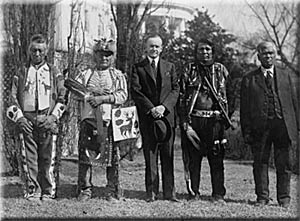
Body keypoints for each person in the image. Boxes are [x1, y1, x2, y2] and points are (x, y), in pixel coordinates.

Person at [6, 34, 66, 201]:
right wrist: (20, 118)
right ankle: (32, 190)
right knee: (29, 157)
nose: (37, 54)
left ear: (46, 52)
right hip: (28, 120)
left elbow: (63, 96)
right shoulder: (21, 72)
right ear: (29, 52)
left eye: (40, 50)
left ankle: (48, 191)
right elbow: (11, 97)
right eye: (33, 50)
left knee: (48, 158)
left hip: (47, 119)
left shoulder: (54, 72)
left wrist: (53, 117)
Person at [240, 41, 299, 208]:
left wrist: (297, 127)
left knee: (284, 164)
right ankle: (262, 197)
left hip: (283, 126)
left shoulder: (286, 75)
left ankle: (284, 198)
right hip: (260, 128)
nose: (268, 56)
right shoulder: (249, 79)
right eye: (265, 53)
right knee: (260, 163)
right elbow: (244, 109)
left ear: (276, 55)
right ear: (258, 56)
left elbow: (294, 103)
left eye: (271, 53)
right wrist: (246, 131)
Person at [73, 38, 128, 202]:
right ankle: (85, 189)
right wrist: (88, 95)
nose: (104, 58)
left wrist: (104, 98)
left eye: (108, 55)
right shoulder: (85, 74)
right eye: (100, 54)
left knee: (111, 157)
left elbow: (122, 95)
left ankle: (111, 189)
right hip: (88, 119)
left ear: (113, 56)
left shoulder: (117, 75)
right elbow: (75, 91)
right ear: (94, 55)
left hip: (108, 121)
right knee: (85, 157)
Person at [178, 38, 229, 203]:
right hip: (194, 121)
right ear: (196, 52)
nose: (204, 52)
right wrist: (185, 122)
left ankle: (218, 194)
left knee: (216, 158)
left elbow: (231, 95)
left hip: (215, 121)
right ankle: (194, 192)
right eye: (201, 49)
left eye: (207, 49)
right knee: (194, 159)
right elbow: (181, 96)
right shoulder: (189, 69)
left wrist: (227, 116)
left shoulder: (221, 70)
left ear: (213, 52)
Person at [131, 34, 180, 202]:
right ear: (146, 48)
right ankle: (151, 193)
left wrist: (164, 107)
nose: (154, 49)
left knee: (168, 156)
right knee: (150, 156)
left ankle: (169, 193)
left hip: (167, 118)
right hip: (148, 118)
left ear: (162, 48)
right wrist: (151, 108)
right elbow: (136, 91)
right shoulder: (138, 67)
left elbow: (176, 90)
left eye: (157, 46)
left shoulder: (170, 67)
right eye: (151, 46)